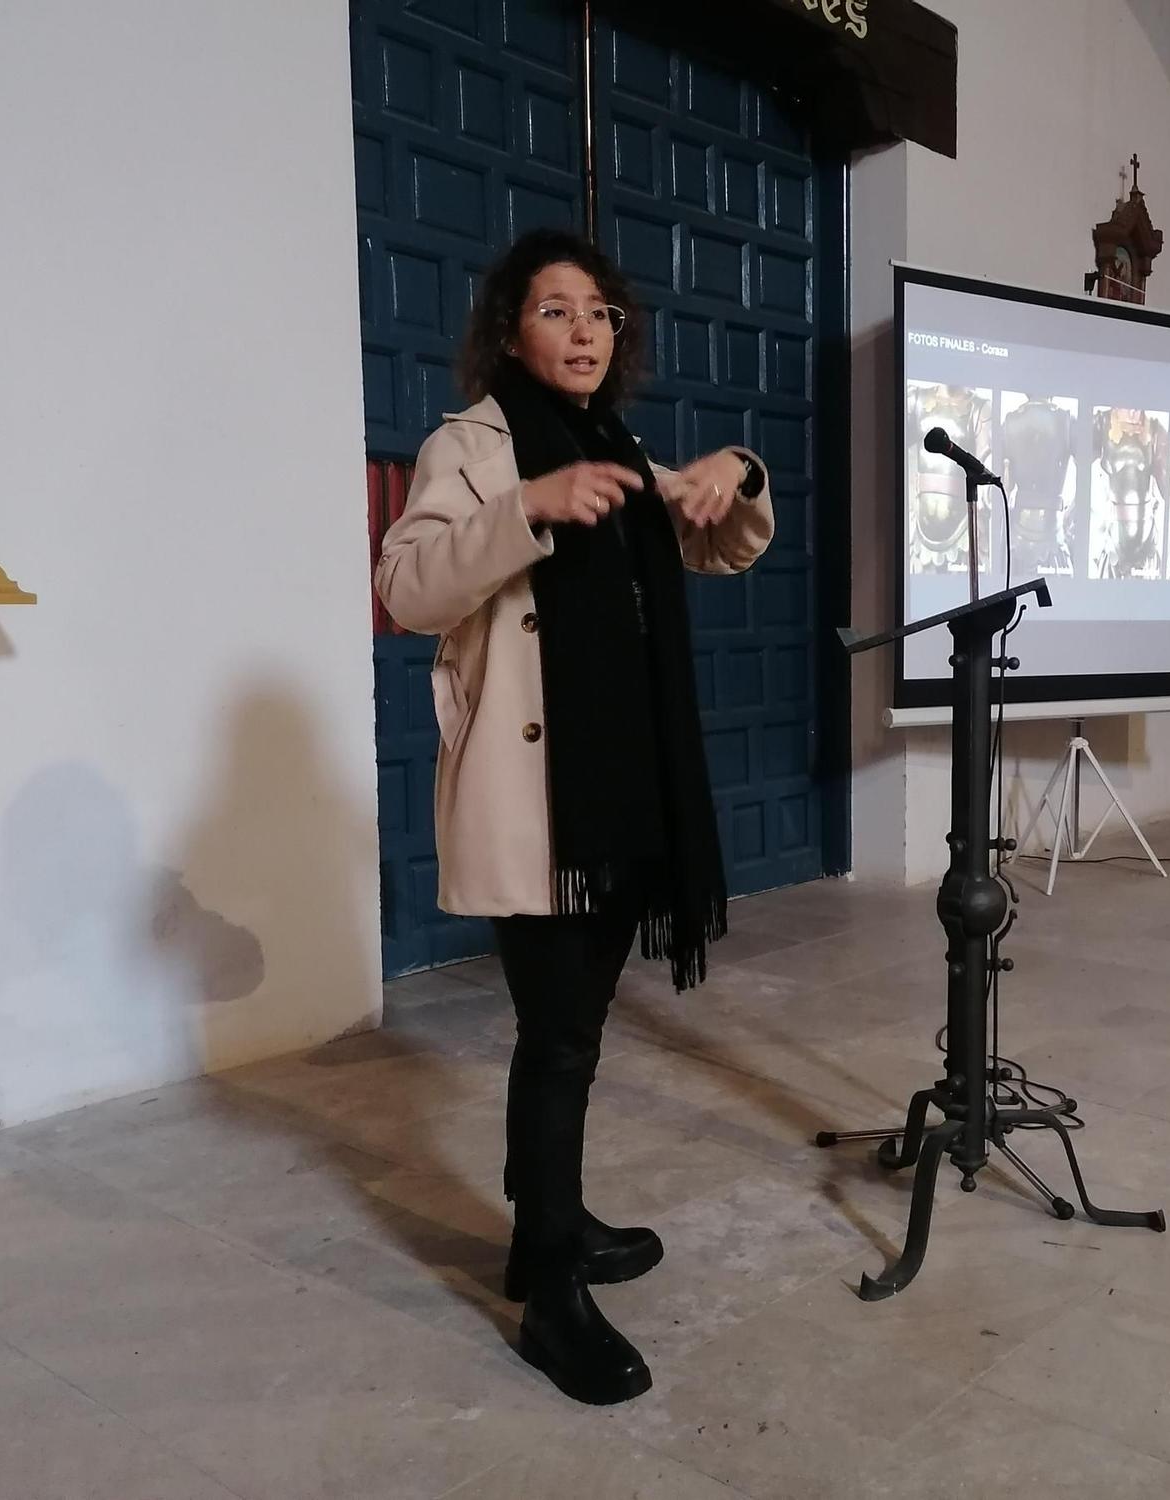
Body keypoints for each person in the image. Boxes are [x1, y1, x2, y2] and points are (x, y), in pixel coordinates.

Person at [374, 229, 773, 1406]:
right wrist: (529, 508)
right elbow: (405, 586)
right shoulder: (477, 446)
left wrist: (733, 471)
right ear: (509, 331)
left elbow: (721, 541)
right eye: (556, 311)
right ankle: (551, 1291)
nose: (586, 330)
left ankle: (545, 1225)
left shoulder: (616, 445)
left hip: (613, 798)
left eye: (599, 312)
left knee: (575, 1035)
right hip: (537, 798)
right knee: (555, 1041)